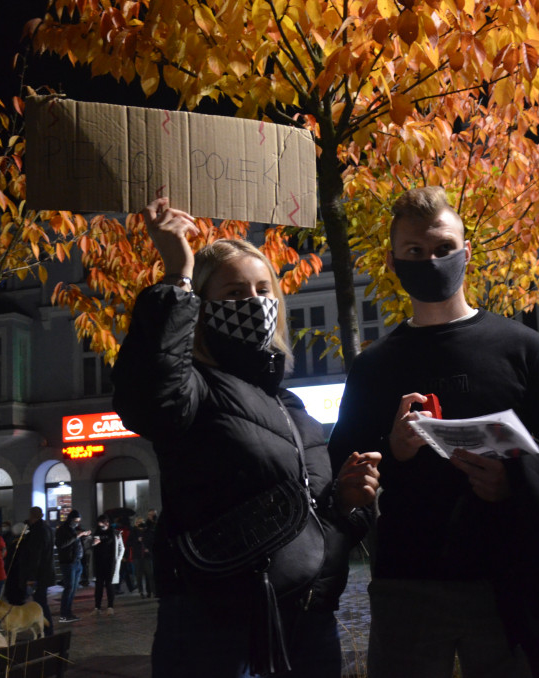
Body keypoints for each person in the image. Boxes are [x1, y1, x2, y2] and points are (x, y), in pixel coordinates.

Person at [327, 187, 539, 678]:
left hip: (508, 579)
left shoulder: (525, 349)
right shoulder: (372, 367)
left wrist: (517, 478)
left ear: (465, 254)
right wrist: (393, 450)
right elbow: (343, 466)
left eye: (443, 249)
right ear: (393, 260)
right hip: (407, 583)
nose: (430, 261)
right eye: (415, 251)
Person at [111, 197, 381, 678]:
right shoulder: (192, 386)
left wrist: (346, 498)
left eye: (263, 290)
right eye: (234, 294)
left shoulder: (291, 407)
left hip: (310, 625)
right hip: (219, 628)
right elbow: (152, 400)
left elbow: (316, 518)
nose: (254, 303)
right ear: (201, 307)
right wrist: (178, 275)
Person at [5, 506, 55, 636]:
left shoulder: (37, 531)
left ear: (32, 516)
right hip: (44, 572)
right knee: (40, 602)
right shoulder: (46, 528)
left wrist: (31, 577)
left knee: (40, 604)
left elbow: (34, 555)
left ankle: (46, 631)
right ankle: (45, 630)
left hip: (38, 574)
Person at [56, 510, 92, 622]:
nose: (77, 523)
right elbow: (61, 544)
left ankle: (68, 612)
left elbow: (78, 544)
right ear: (71, 519)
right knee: (69, 588)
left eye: (79, 521)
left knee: (73, 589)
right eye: (76, 520)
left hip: (77, 561)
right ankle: (64, 614)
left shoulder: (74, 529)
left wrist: (85, 537)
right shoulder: (62, 530)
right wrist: (77, 536)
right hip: (68, 562)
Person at [90, 514, 124, 615]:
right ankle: (97, 608)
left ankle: (110, 607)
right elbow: (89, 546)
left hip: (110, 564)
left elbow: (121, 548)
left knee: (110, 585)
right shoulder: (96, 533)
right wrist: (92, 543)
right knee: (99, 586)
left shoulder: (115, 533)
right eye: (102, 522)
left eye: (106, 522)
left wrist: (118, 559)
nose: (104, 524)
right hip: (98, 563)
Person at [130, 517, 154, 599]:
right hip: (137, 556)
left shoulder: (148, 532)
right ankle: (141, 592)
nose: (139, 524)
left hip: (146, 556)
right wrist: (137, 540)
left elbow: (152, 542)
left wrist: (149, 549)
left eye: (141, 522)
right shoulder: (133, 532)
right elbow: (129, 543)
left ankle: (150, 591)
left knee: (149, 574)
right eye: (138, 522)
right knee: (139, 575)